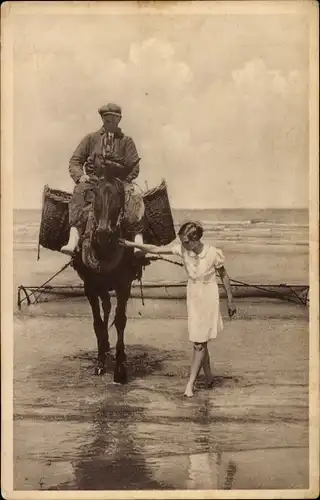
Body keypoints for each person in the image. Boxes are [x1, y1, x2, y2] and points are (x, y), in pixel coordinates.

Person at [119, 221, 237, 397]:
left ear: (195, 239)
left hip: (208, 296)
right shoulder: (182, 249)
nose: (182, 245)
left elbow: (224, 276)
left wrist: (230, 300)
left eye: (185, 242)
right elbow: (155, 249)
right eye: (181, 241)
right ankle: (209, 377)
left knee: (199, 343)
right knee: (199, 339)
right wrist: (133, 244)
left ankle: (190, 385)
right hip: (193, 295)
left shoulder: (213, 253)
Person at [61, 103, 145, 254]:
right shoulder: (91, 139)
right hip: (94, 182)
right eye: (106, 120)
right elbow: (75, 161)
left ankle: (138, 241)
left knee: (135, 196)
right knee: (79, 192)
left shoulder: (127, 141)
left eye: (113, 120)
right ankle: (73, 239)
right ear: (102, 119)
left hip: (119, 183)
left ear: (119, 120)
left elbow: (134, 167)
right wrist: (80, 176)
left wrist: (125, 181)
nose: (110, 123)